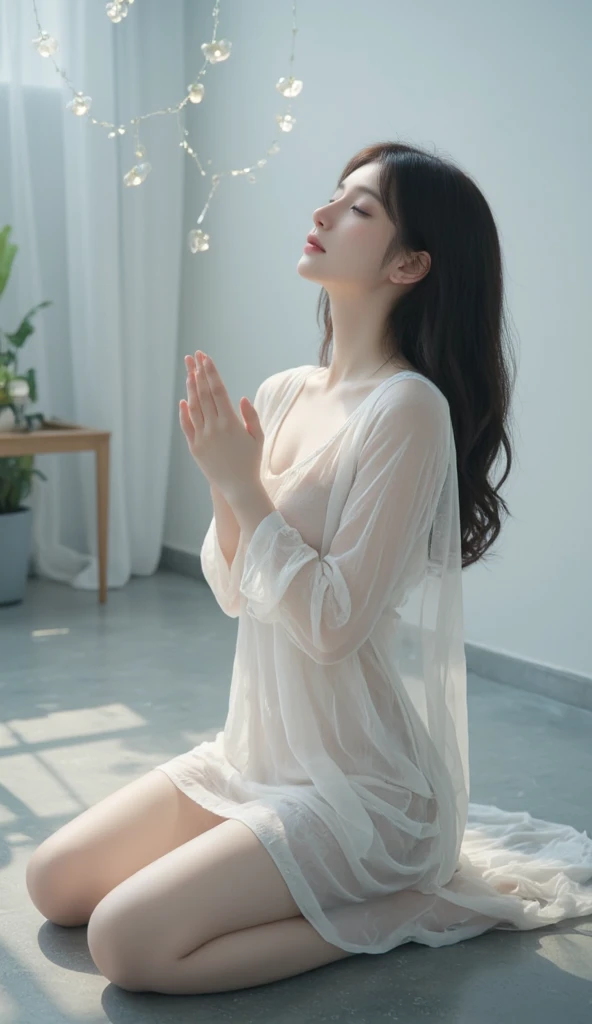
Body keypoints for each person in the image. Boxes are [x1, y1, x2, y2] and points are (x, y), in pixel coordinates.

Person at [25, 142, 592, 995]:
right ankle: (264, 865)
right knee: (53, 883)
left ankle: (413, 908)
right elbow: (231, 590)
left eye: (358, 209)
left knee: (129, 944)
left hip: (364, 791)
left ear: (411, 263)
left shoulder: (410, 409)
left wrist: (242, 489)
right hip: (257, 753)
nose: (323, 214)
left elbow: (334, 627)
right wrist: (228, 485)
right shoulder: (287, 391)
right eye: (334, 198)